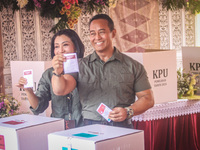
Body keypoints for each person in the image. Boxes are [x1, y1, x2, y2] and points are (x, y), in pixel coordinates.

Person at [52, 14, 154, 128]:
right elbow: (60, 90)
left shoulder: (133, 66)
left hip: (122, 127)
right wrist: (58, 72)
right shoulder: (79, 65)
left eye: (101, 32)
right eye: (92, 33)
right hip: (89, 127)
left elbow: (148, 99)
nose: (97, 37)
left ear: (113, 33)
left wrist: (128, 111)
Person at [16, 29, 85, 128]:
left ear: (76, 48)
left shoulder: (87, 70)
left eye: (65, 45)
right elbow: (38, 108)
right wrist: (28, 91)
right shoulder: (48, 74)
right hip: (59, 129)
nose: (61, 50)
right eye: (56, 46)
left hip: (85, 128)